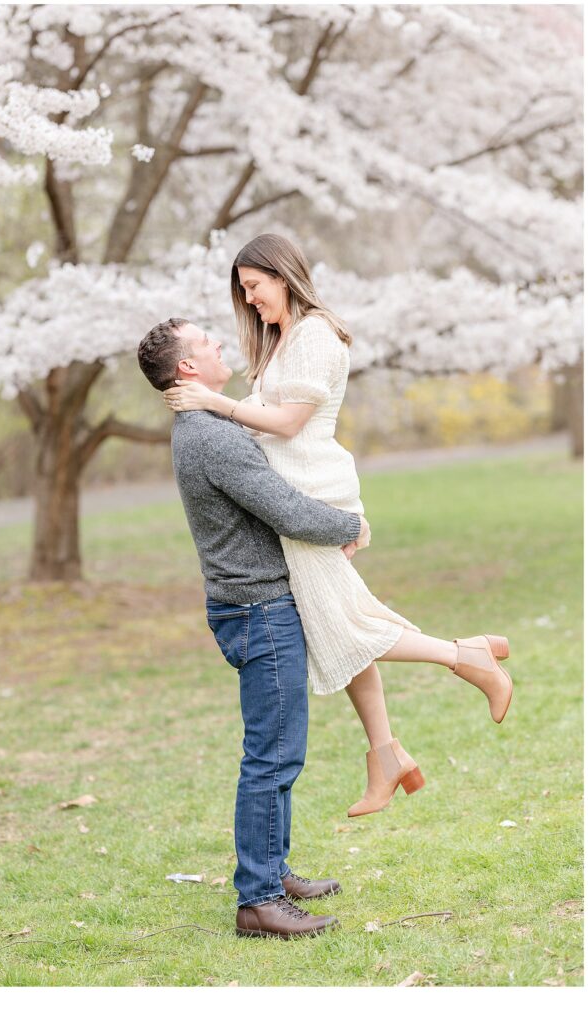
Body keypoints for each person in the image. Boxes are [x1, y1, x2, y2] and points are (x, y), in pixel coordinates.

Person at [162, 233, 513, 818]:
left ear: (282, 275)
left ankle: (465, 656)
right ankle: (386, 754)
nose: (249, 300)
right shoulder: (283, 341)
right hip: (298, 493)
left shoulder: (315, 336)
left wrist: (213, 403)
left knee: (343, 625)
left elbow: (291, 421)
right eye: (243, 291)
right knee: (338, 626)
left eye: (254, 286)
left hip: (311, 494)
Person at [137, 317, 372, 939]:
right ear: (188, 368)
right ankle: (260, 900)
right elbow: (283, 507)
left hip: (253, 606)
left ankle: (274, 869)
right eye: (207, 342)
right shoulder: (212, 437)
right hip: (259, 611)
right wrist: (347, 525)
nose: (219, 344)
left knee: (279, 750)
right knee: (272, 755)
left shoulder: (210, 423)